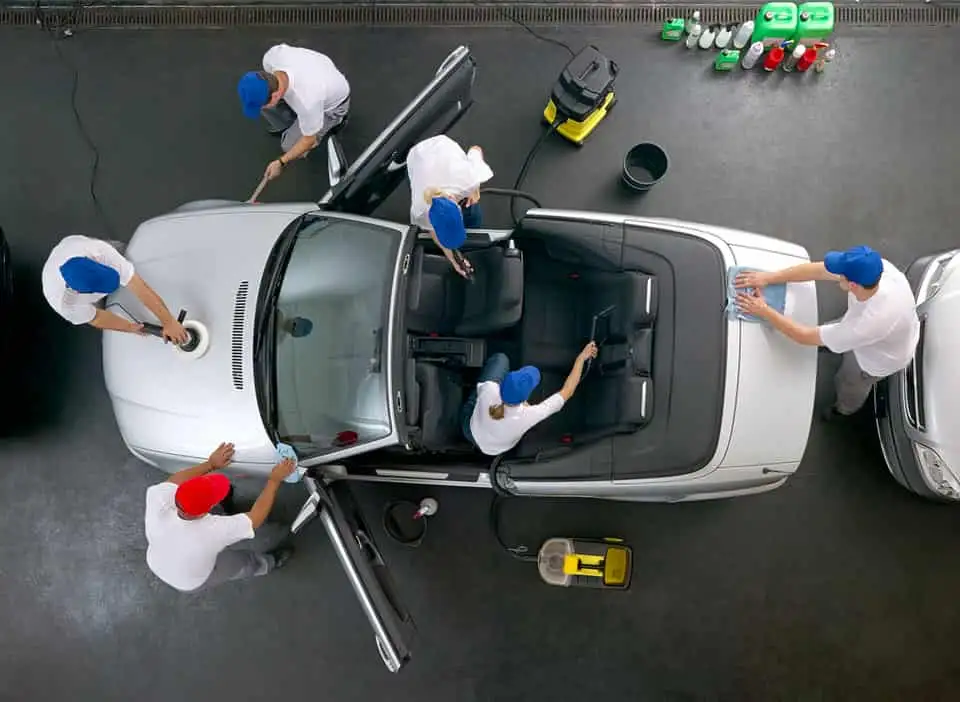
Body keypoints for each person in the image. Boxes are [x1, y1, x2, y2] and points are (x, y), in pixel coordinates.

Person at [734, 245, 920, 420]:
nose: (836, 274)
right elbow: (817, 270)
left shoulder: (867, 324)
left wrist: (763, 310)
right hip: (879, 330)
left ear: (853, 285)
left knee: (849, 383)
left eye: (841, 275)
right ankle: (831, 346)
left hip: (877, 359)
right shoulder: (880, 271)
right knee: (834, 334)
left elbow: (804, 336)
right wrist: (769, 277)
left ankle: (843, 409)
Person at [144, 442, 297, 593]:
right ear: (204, 512)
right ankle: (268, 563)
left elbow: (174, 480)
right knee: (242, 562)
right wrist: (274, 480)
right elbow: (254, 519)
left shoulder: (157, 497)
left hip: (157, 559)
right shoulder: (210, 531)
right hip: (190, 578)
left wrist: (211, 464)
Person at [237, 43, 351, 184]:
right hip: (321, 75)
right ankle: (296, 123)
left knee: (289, 146)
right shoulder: (271, 57)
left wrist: (281, 161)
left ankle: (338, 120)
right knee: (266, 108)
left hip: (332, 106)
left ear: (275, 96)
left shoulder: (308, 100)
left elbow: (309, 140)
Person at [41, 235, 188, 343]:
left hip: (72, 244)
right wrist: (130, 327)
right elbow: (97, 318)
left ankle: (125, 259)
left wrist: (168, 321)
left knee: (122, 250)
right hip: (69, 290)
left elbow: (139, 286)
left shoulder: (99, 251)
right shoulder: (66, 305)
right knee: (94, 311)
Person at [462, 342, 598, 456]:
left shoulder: (490, 389)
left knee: (500, 359)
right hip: (492, 449)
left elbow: (568, 392)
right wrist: (581, 358)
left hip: (470, 429)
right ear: (525, 398)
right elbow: (567, 391)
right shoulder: (529, 416)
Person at [406, 135, 494, 277]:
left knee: (473, 215)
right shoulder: (419, 210)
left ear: (459, 207)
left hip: (443, 146)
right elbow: (433, 231)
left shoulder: (469, 177)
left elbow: (476, 149)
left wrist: (475, 188)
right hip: (417, 158)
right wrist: (454, 258)